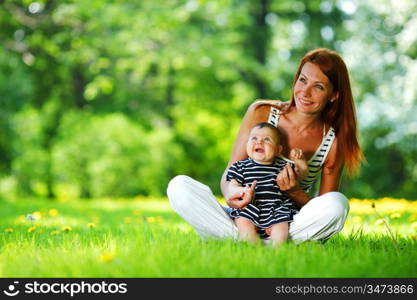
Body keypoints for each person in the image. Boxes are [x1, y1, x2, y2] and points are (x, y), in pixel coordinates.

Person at [167, 48, 363, 244]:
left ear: (334, 95)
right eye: (302, 80)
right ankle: (255, 241)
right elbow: (231, 171)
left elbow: (322, 207)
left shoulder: (332, 142)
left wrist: (294, 191)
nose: (305, 91)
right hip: (242, 217)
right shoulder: (261, 112)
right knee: (179, 186)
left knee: (338, 204)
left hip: (285, 222)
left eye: (318, 86)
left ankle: (240, 242)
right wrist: (232, 194)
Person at [227, 122, 308, 246]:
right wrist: (241, 191)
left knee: (281, 228)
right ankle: (251, 248)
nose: (259, 142)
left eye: (267, 139)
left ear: (278, 150)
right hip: (249, 207)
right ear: (247, 144)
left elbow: (300, 175)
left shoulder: (283, 167)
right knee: (243, 222)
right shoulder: (240, 166)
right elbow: (232, 185)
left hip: (276, 209)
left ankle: (277, 249)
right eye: (254, 138)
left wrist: (300, 162)